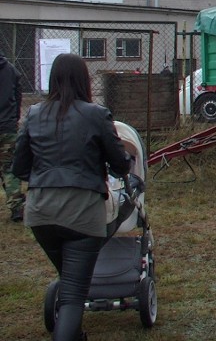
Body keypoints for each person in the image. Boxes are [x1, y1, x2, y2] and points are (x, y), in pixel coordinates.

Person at [12, 53, 131, 341]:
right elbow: (120, 164)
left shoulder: (34, 114)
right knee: (74, 294)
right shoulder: (96, 114)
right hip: (81, 213)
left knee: (70, 281)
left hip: (40, 212)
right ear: (84, 80)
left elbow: (19, 167)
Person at [0, 49, 24, 221]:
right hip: (7, 127)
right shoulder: (10, 70)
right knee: (9, 169)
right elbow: (18, 96)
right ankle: (16, 207)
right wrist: (13, 118)